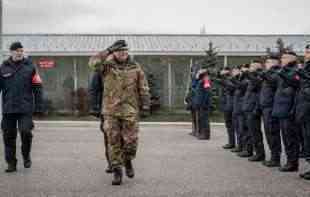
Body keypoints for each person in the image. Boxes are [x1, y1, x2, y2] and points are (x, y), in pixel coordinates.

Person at [89, 40, 150, 185]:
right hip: (110, 111)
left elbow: (143, 87)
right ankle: (117, 171)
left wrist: (146, 105)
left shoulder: (135, 67)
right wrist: (108, 50)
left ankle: (128, 160)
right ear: (114, 52)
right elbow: (92, 63)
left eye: (125, 50)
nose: (123, 53)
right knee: (113, 141)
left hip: (130, 110)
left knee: (131, 141)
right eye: (119, 50)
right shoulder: (106, 66)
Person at [0, 42, 44, 173]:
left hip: (25, 108)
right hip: (9, 109)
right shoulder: (3, 68)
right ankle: (11, 163)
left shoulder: (30, 67)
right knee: (8, 136)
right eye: (17, 50)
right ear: (11, 52)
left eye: (21, 50)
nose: (20, 53)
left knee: (25, 132)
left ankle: (26, 156)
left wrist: (39, 107)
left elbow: (38, 88)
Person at [272, 50, 300, 172]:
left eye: (284, 58)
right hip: (281, 108)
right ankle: (290, 161)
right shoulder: (283, 71)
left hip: (289, 109)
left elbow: (295, 85)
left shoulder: (295, 72)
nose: (282, 60)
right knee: (286, 136)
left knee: (290, 138)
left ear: (291, 59)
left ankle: (293, 163)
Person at [259, 54, 282, 167]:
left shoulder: (276, 73)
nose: (265, 64)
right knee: (268, 133)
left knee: (273, 133)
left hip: (271, 108)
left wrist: (265, 75)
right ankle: (273, 157)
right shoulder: (268, 74)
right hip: (265, 107)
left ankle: (276, 158)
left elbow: (274, 83)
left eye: (268, 62)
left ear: (274, 63)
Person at [88, 70, 112, 173]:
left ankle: (126, 160)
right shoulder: (102, 68)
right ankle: (112, 163)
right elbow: (94, 89)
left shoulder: (129, 65)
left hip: (125, 108)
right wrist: (95, 107)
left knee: (126, 138)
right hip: (107, 108)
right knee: (109, 136)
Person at [242, 60, 265, 162]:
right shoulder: (252, 79)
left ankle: (260, 153)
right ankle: (250, 150)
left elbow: (258, 91)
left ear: (257, 67)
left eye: (252, 66)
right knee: (249, 132)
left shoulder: (259, 78)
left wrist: (256, 109)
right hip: (248, 108)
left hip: (253, 109)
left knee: (255, 133)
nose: (249, 68)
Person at [296, 44, 310, 179]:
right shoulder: (306, 67)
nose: (306, 54)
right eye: (305, 52)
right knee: (306, 138)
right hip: (304, 107)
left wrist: (301, 72)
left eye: (308, 52)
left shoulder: (305, 69)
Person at [217, 67, 235, 149]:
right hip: (225, 105)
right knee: (229, 125)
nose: (221, 72)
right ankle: (231, 142)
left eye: (223, 71)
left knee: (232, 125)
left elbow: (231, 87)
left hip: (229, 105)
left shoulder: (229, 79)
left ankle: (233, 143)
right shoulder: (224, 80)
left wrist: (224, 79)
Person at [192, 69, 212, 140]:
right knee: (201, 119)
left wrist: (204, 103)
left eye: (200, 71)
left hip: (204, 104)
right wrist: (196, 78)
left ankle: (206, 135)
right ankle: (201, 133)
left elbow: (207, 92)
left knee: (205, 120)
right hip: (200, 104)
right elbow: (193, 86)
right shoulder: (200, 80)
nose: (199, 71)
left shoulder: (206, 79)